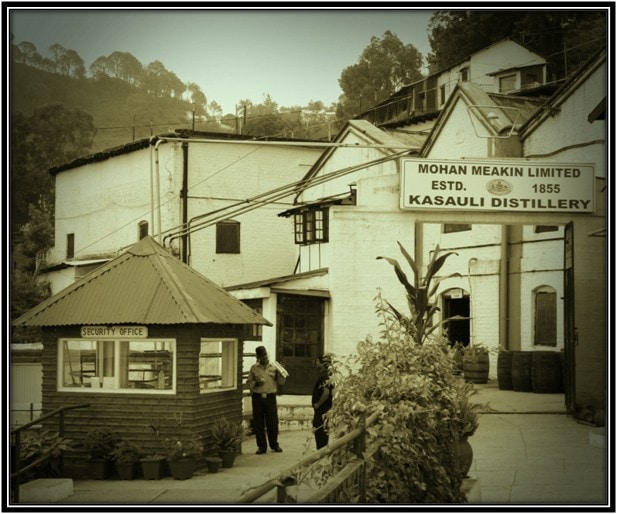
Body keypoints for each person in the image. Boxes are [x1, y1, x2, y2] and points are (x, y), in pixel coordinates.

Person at [247, 346, 286, 454]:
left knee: (272, 422)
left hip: (270, 397)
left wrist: (279, 374)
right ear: (258, 357)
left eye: (265, 355)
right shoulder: (254, 368)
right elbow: (249, 383)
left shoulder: (274, 367)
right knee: (258, 422)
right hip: (258, 397)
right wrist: (256, 383)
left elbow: (281, 382)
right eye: (261, 356)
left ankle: (274, 444)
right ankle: (261, 446)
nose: (264, 358)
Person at [312, 354, 334, 450]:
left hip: (322, 410)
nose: (316, 364)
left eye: (317, 362)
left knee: (321, 434)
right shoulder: (327, 375)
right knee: (321, 433)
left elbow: (326, 392)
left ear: (323, 364)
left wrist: (318, 404)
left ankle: (321, 455)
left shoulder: (324, 376)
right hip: (322, 410)